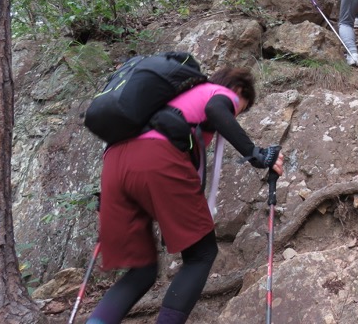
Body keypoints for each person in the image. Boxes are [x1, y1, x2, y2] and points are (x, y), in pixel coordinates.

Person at [87, 67, 284, 324]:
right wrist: (256, 154)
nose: (237, 111)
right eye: (242, 108)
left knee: (142, 270)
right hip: (156, 157)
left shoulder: (168, 104)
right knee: (201, 255)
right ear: (238, 91)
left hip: (114, 165)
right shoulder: (221, 93)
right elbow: (216, 109)